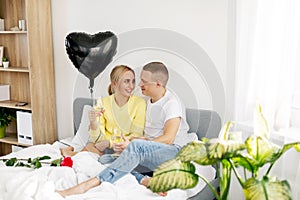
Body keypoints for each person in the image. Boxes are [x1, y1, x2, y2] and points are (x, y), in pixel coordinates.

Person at [57, 61, 192, 197]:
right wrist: (131, 142)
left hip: (173, 152)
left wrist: (136, 144)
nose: (138, 85)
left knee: (134, 147)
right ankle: (144, 180)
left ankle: (87, 185)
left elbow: (168, 139)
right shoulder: (148, 101)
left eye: (143, 81)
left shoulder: (171, 103)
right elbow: (145, 138)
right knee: (106, 159)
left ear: (158, 84)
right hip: (151, 152)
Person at [61, 65, 146, 157]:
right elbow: (97, 138)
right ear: (114, 83)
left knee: (93, 151)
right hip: (103, 147)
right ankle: (72, 155)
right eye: (126, 81)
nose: (131, 86)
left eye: (133, 81)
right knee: (91, 146)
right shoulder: (102, 103)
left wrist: (109, 142)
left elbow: (137, 135)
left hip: (124, 146)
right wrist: (93, 123)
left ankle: (71, 154)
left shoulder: (139, 103)